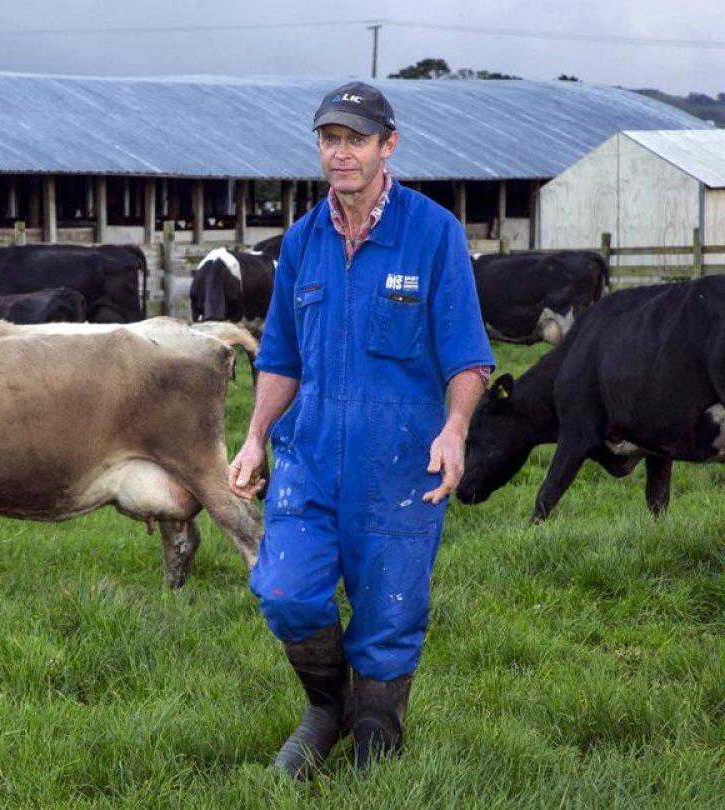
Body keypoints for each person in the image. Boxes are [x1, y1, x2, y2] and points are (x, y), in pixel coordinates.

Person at [228, 81, 494, 777]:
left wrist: (456, 427)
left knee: (390, 611)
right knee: (284, 589)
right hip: (310, 459)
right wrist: (256, 435)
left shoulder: (432, 233)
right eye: (329, 139)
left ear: (388, 145)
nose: (340, 154)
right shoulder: (303, 242)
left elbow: (469, 355)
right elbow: (281, 356)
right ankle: (326, 705)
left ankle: (379, 723)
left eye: (356, 139)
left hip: (402, 464)